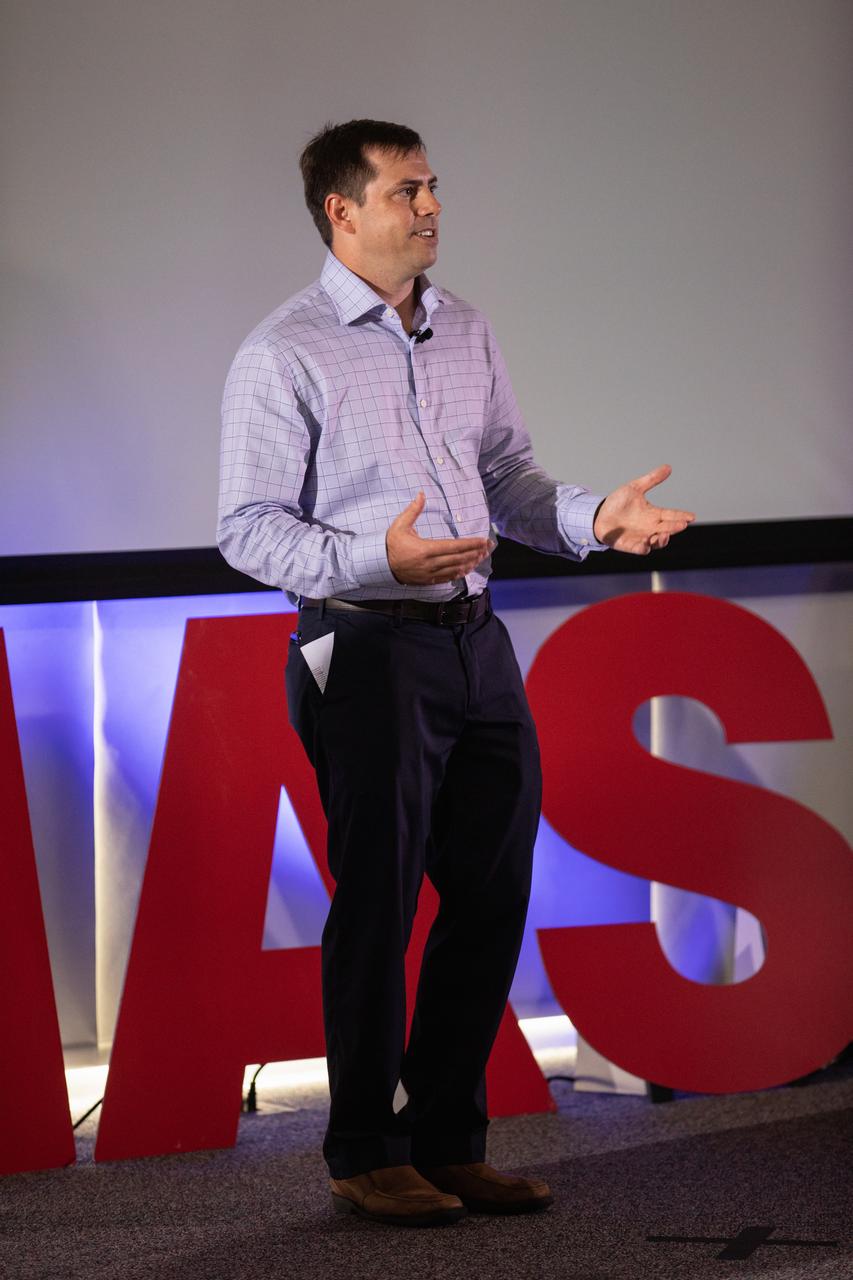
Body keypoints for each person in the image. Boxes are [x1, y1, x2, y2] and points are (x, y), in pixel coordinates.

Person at [218, 118, 694, 1228]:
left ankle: (448, 1138)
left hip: (475, 641)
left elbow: (505, 474)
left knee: (491, 894)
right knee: (378, 905)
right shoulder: (281, 350)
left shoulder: (464, 327)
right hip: (363, 642)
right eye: (405, 192)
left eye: (433, 187)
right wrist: (370, 556)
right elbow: (245, 527)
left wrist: (593, 520)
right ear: (342, 211)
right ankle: (361, 1149)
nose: (430, 207)